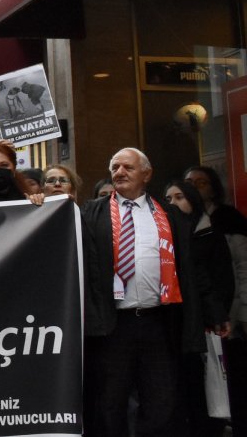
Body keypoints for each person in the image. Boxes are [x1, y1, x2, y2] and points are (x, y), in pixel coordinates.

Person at [80, 147, 209, 437]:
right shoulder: (91, 213)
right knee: (110, 401)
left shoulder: (171, 215)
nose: (119, 173)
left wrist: (212, 313)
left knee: (161, 398)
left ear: (147, 174)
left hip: (159, 322)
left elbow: (191, 268)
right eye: (115, 167)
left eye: (127, 167)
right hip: (113, 325)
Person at [165, 179, 236, 437]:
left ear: (193, 201)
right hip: (172, 324)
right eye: (169, 199)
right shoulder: (163, 235)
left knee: (203, 390)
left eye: (180, 197)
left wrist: (216, 315)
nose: (173, 203)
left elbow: (219, 280)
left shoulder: (208, 233)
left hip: (203, 325)